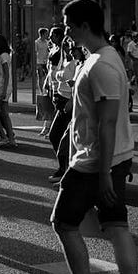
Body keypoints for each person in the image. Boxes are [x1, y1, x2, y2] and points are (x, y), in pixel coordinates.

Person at [49, 0, 138, 274]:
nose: (65, 30)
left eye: (68, 24)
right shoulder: (101, 59)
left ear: (83, 26)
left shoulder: (101, 65)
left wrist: (103, 172)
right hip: (109, 157)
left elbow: (106, 122)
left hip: (94, 162)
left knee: (63, 221)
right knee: (116, 224)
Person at [46, 38, 78, 183]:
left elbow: (73, 82)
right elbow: (55, 76)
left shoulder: (76, 62)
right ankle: (63, 167)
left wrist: (72, 99)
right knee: (54, 136)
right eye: (64, 45)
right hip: (61, 99)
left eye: (69, 45)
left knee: (65, 140)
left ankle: (66, 172)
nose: (66, 48)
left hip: (70, 103)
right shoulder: (64, 59)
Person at [35, 27, 51, 93]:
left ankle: (47, 89)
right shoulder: (36, 42)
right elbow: (35, 52)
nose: (47, 35)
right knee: (40, 76)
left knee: (48, 76)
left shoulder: (47, 42)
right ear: (42, 34)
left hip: (46, 61)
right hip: (39, 61)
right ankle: (41, 91)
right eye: (46, 34)